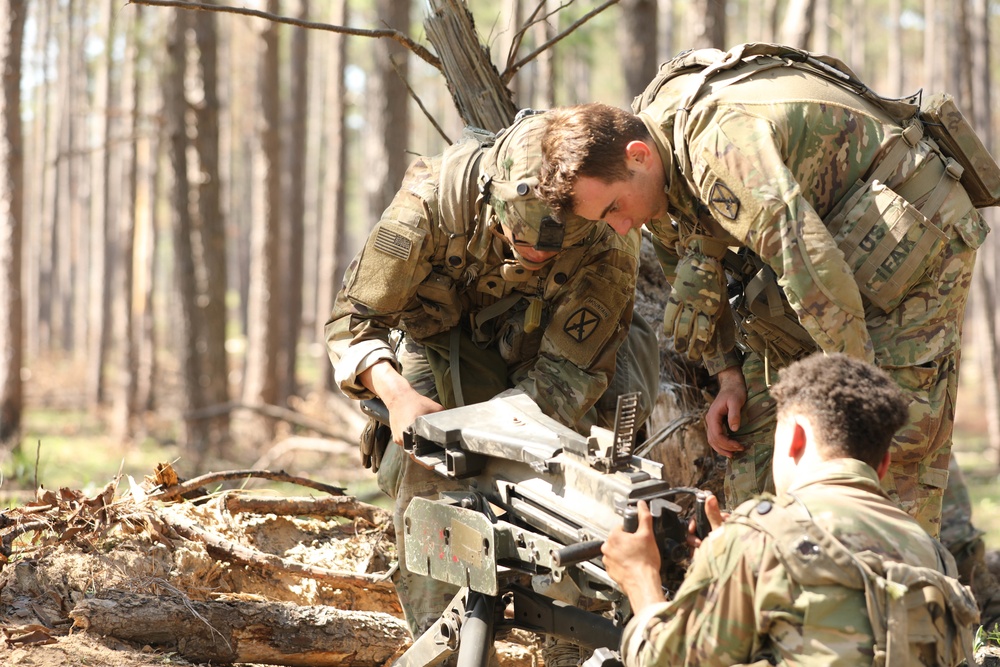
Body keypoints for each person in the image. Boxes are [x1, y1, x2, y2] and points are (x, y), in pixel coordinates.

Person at [536, 43, 991, 541]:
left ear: (638, 156)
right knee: (754, 435)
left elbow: (810, 265)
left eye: (614, 209)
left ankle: (899, 597)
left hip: (909, 237)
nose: (621, 228)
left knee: (891, 440)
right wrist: (729, 376)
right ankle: (770, 591)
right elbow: (688, 264)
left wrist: (857, 400)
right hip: (819, 264)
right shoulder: (655, 169)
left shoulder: (719, 146)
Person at [324, 111, 661, 648]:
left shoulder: (606, 234)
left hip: (567, 358)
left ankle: (582, 638)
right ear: (493, 204)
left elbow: (567, 376)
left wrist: (499, 441)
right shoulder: (432, 201)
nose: (536, 259)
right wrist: (399, 397)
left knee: (583, 484)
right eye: (523, 245)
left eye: (552, 253)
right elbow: (352, 322)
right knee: (427, 465)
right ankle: (442, 639)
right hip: (445, 340)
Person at [601, 352, 979, 666]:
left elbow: (664, 660)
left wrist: (640, 579)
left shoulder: (759, 536)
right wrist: (721, 561)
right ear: (882, 465)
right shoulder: (931, 553)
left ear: (795, 437)